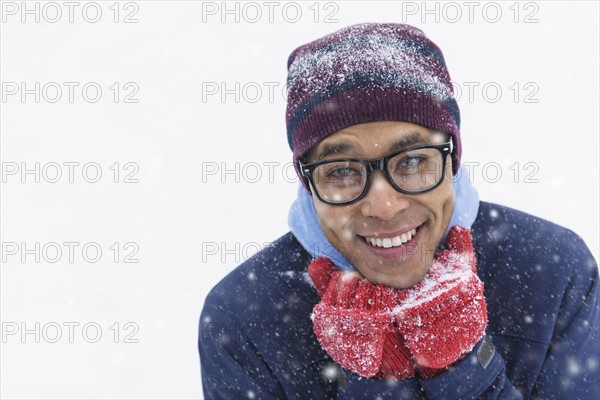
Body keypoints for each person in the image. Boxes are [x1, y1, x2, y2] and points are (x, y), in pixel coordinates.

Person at [198, 23, 599, 399]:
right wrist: (377, 381)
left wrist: (463, 367)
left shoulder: (553, 270)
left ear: (452, 161)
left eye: (411, 162)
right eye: (341, 171)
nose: (384, 207)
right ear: (308, 182)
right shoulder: (241, 318)